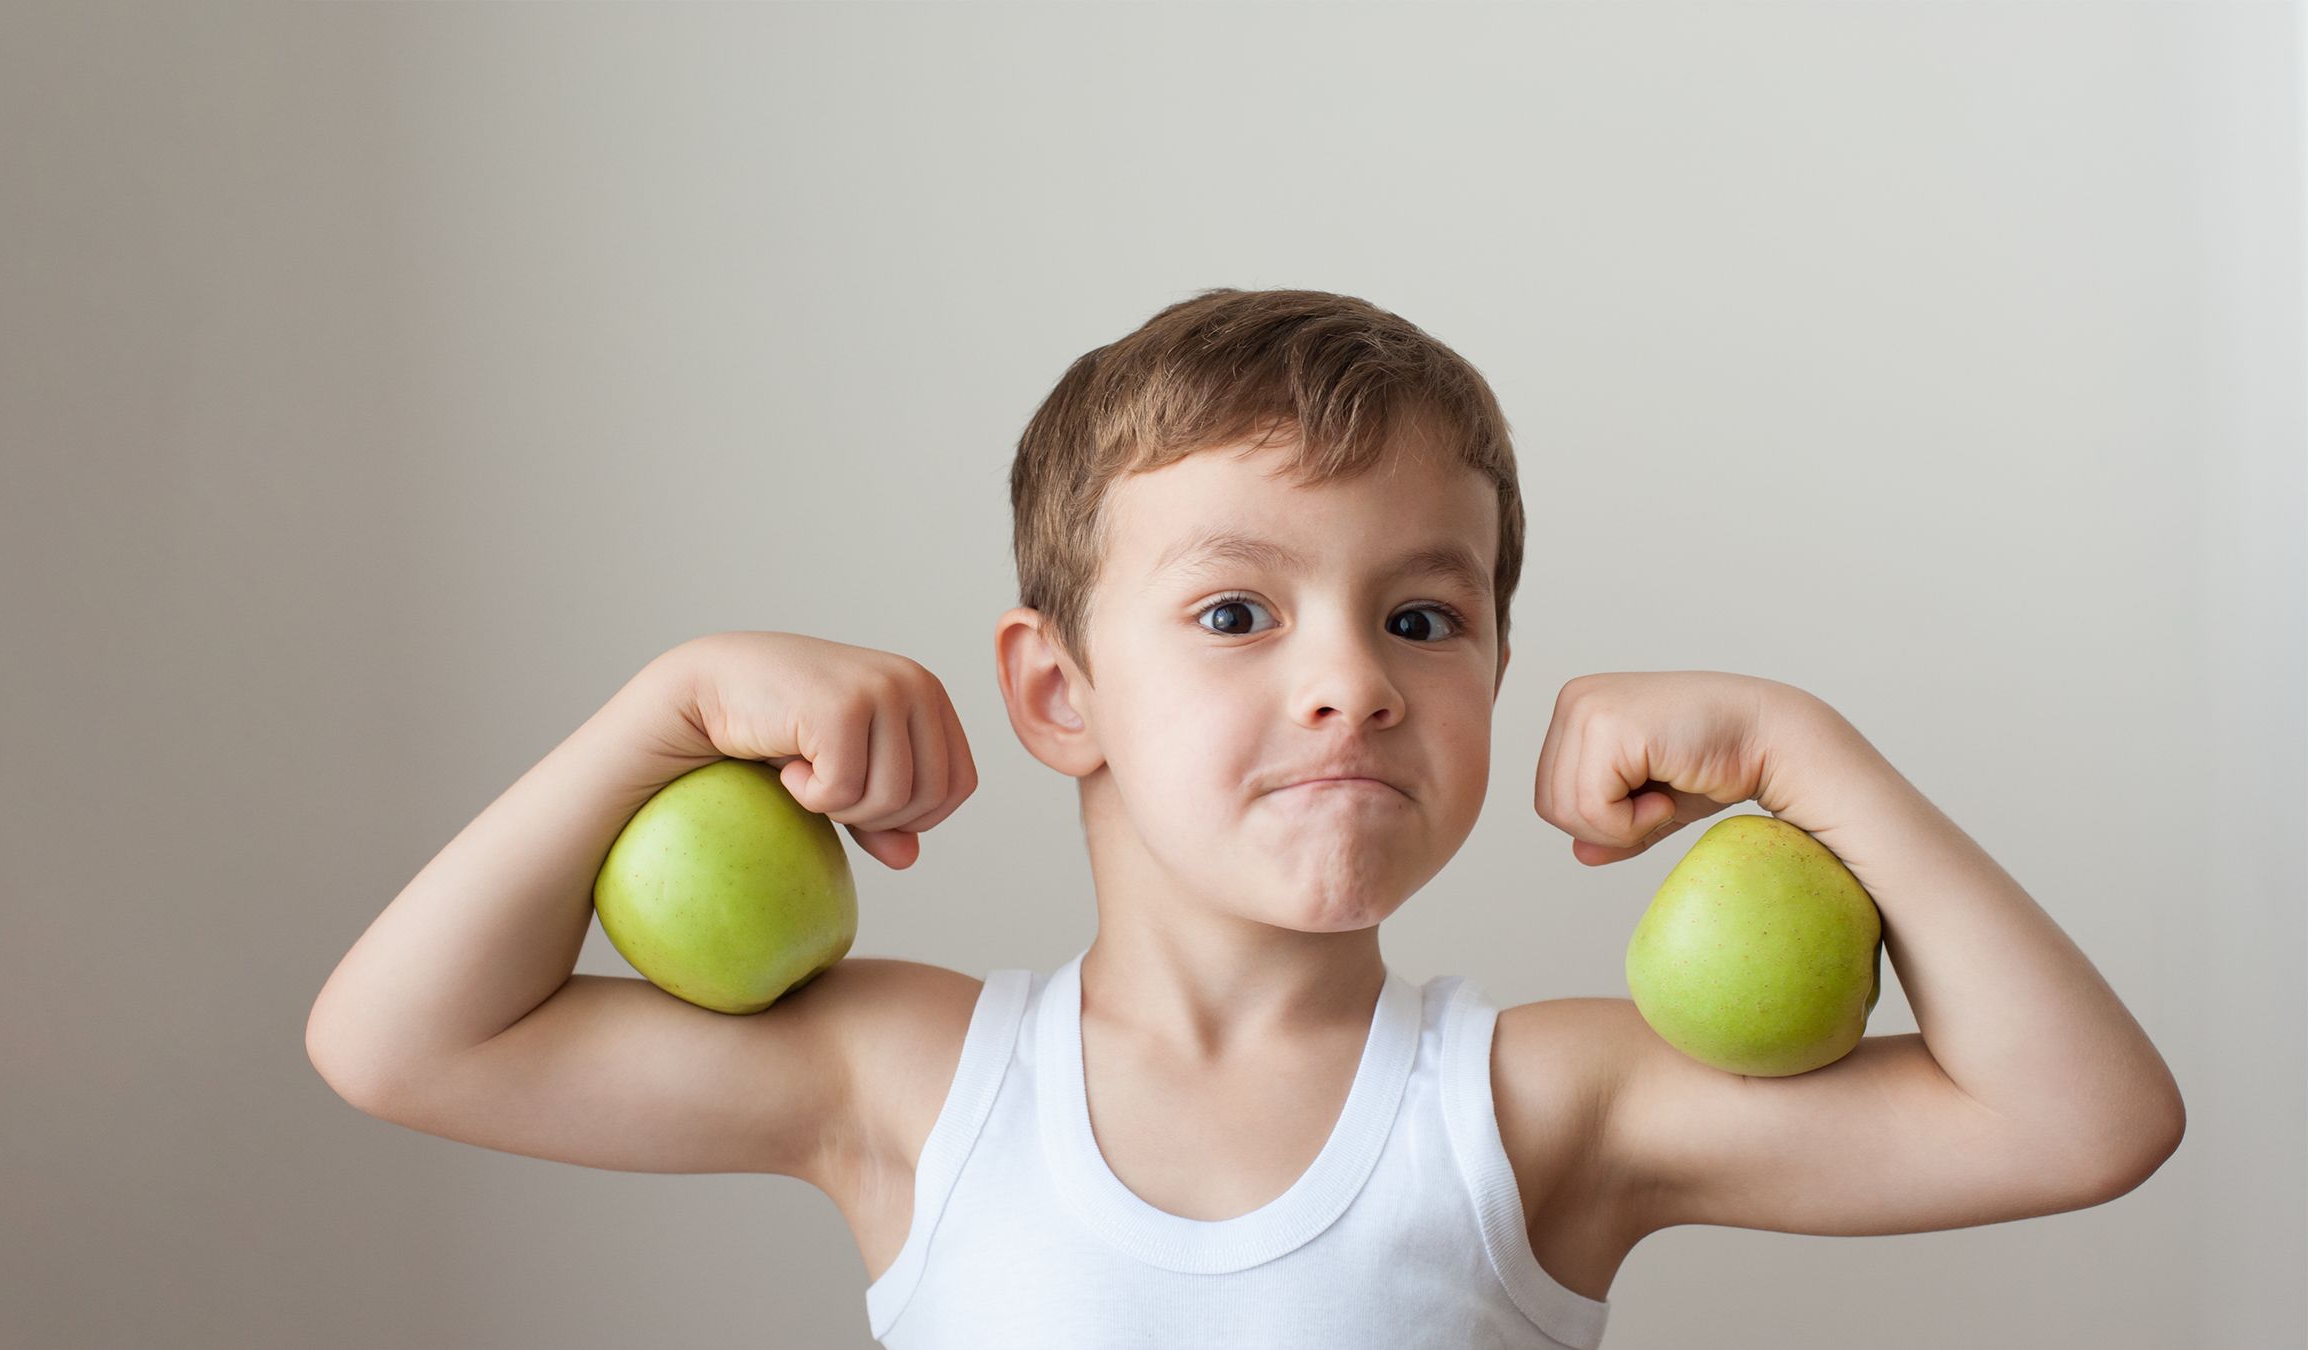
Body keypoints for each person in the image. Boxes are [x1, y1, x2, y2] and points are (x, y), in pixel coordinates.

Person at [304, 288, 2186, 1348]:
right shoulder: (917, 1081)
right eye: (1234, 612)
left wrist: (1804, 753)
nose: (1352, 677)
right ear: (1058, 691)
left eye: (1423, 616)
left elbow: (2084, 1120)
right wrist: (669, 705)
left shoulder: (1540, 1108)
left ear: (1497, 677)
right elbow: (401, 1040)